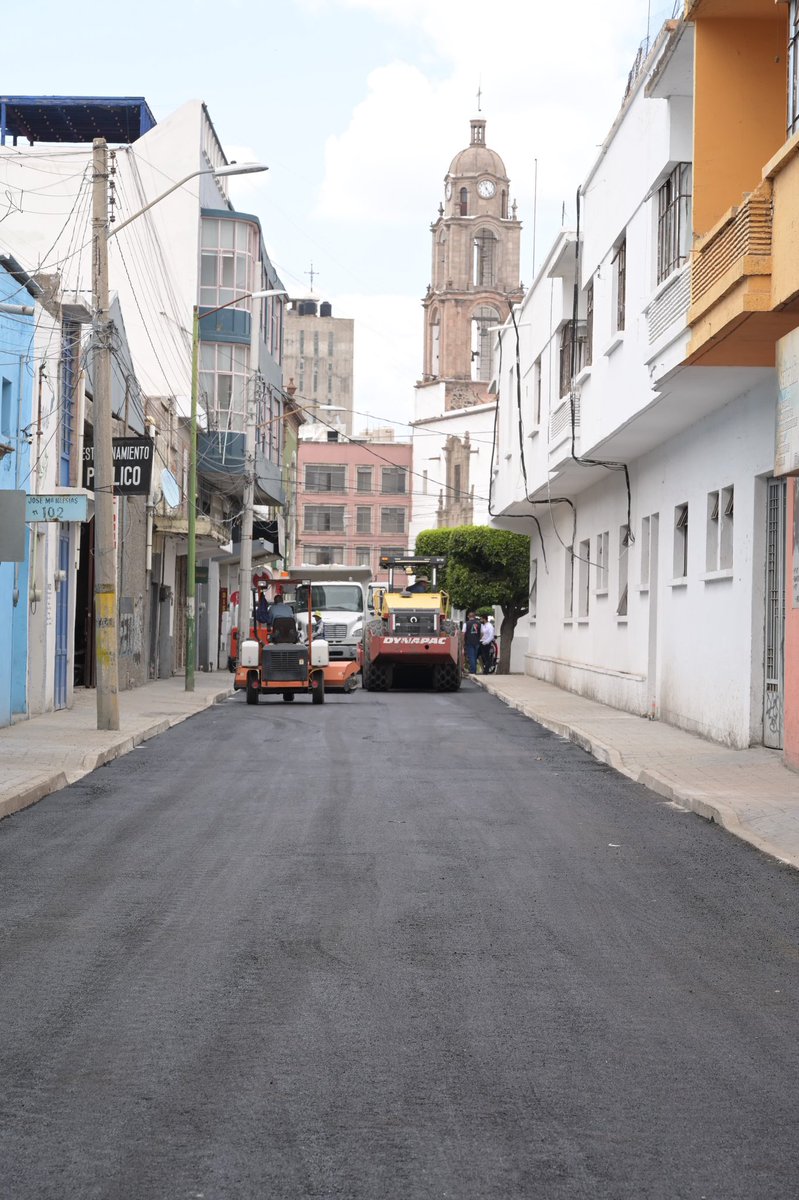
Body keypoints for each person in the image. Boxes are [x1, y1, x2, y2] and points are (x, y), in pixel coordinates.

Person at [462, 610, 482, 674]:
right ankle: (474, 669)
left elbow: (463, 633)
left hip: (469, 642)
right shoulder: (479, 624)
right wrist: (479, 639)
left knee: (471, 656)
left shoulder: (466, 624)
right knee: (475, 656)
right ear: (474, 617)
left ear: (468, 617)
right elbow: (482, 633)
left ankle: (472, 671)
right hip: (477, 642)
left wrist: (463, 641)